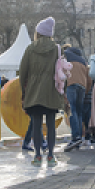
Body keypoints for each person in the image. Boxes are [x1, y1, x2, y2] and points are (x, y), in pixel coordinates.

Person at [19, 17, 64, 167]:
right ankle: (51, 155)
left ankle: (37, 156)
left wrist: (23, 92)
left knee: (36, 124)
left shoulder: (30, 48)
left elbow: (23, 72)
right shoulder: (57, 48)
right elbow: (60, 70)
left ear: (38, 33)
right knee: (51, 124)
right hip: (51, 91)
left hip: (33, 91)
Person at [63, 45, 91, 151]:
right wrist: (86, 89)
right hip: (82, 87)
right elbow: (89, 78)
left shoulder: (65, 55)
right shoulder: (83, 60)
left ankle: (75, 137)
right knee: (79, 112)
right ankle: (79, 136)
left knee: (72, 110)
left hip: (71, 84)